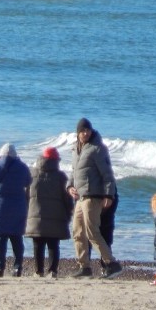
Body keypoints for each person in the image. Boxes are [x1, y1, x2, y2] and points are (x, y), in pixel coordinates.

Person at [68, 117, 122, 278]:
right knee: (77, 231)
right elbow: (74, 171)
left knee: (92, 231)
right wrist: (70, 186)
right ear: (77, 133)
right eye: (82, 131)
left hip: (94, 195)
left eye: (87, 130)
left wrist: (108, 194)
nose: (85, 133)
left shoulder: (97, 149)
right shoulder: (75, 149)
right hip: (80, 196)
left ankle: (111, 263)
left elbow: (107, 174)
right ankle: (84, 267)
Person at [0, 143, 31, 277]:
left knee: (1, 237)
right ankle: (17, 267)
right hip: (18, 206)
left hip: (0, 206)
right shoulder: (22, 167)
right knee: (17, 238)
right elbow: (28, 182)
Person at [25, 147, 73, 278]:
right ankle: (52, 271)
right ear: (56, 160)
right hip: (56, 217)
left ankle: (38, 271)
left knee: (37, 245)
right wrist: (69, 215)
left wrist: (26, 215)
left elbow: (26, 196)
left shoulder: (32, 175)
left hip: (36, 217)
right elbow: (67, 199)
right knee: (53, 245)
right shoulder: (61, 177)